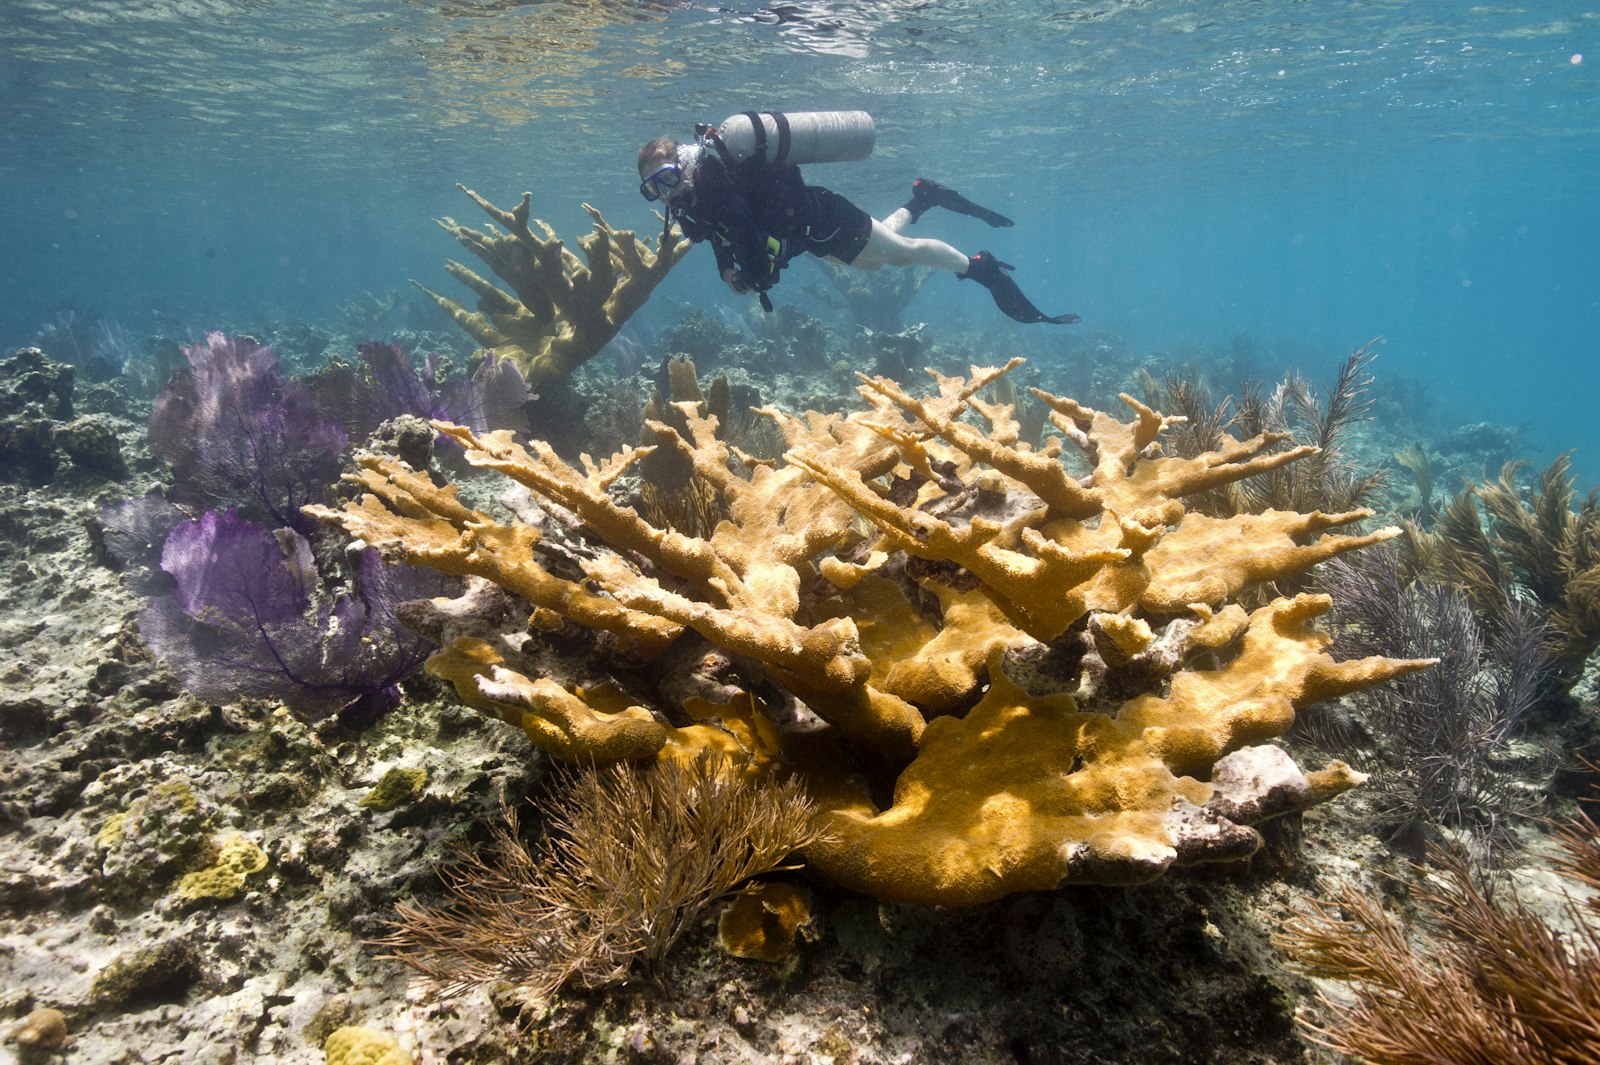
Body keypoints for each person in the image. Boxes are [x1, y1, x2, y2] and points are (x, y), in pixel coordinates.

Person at [637, 134, 1079, 325]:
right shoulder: (692, 203)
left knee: (903, 253)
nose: (665, 192)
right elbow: (721, 236)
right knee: (874, 267)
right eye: (654, 187)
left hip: (827, 217)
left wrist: (753, 272)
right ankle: (923, 198)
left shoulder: (713, 185)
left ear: (685, 166)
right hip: (811, 233)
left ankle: (979, 267)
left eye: (669, 177)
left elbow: (743, 229)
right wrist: (724, 272)